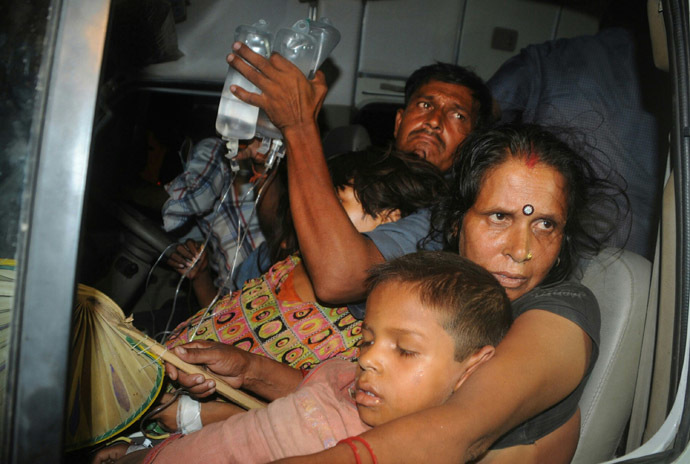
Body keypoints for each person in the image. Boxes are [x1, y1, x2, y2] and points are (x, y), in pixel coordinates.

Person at [170, 124, 618, 463]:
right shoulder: (444, 290)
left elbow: (459, 430)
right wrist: (248, 372)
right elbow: (350, 394)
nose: (521, 250)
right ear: (458, 219)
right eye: (499, 217)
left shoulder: (561, 314)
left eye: (545, 225)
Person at [96, 251, 511, 464]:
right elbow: (294, 402)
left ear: (471, 368)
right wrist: (246, 367)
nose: (368, 360)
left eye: (404, 349)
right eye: (367, 340)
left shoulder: (400, 447)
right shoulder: (347, 377)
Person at [186, 53, 494, 314]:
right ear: (399, 121)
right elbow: (283, 234)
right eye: (425, 105)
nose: (435, 120)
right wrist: (265, 168)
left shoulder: (444, 218)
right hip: (243, 299)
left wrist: (299, 124)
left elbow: (338, 279)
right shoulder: (359, 166)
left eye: (457, 115)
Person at [164, 148, 447, 370]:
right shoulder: (291, 264)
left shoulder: (362, 325)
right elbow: (226, 321)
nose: (317, 214)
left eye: (335, 203)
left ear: (387, 218)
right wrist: (201, 279)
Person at [487, 8, 669, 260]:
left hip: (565, 232)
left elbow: (482, 114)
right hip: (647, 245)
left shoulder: (549, 57)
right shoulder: (670, 78)